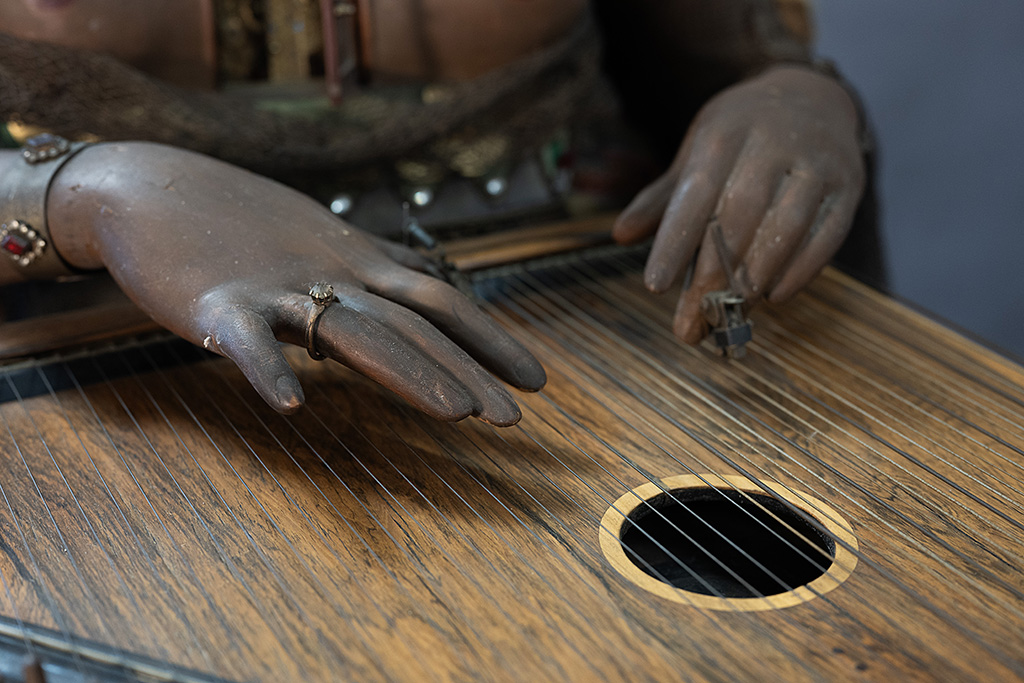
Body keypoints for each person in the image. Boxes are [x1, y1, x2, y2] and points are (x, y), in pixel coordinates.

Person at [0, 0, 873, 426]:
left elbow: (730, 55)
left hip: (590, 299)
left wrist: (796, 96)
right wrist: (91, 192)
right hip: (100, 348)